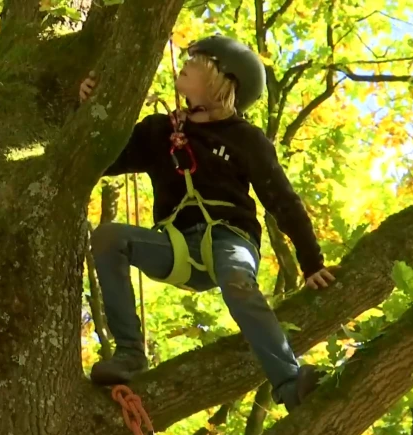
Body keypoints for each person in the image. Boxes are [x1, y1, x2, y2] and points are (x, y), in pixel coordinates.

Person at [80, 35, 337, 411]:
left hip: (229, 239)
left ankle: (289, 382)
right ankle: (131, 353)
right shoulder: (159, 132)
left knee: (236, 278)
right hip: (176, 245)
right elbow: (102, 159)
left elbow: (282, 201)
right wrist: (90, 108)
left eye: (197, 62)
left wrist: (311, 261)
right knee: (108, 237)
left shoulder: (247, 140)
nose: (185, 64)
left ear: (222, 82)